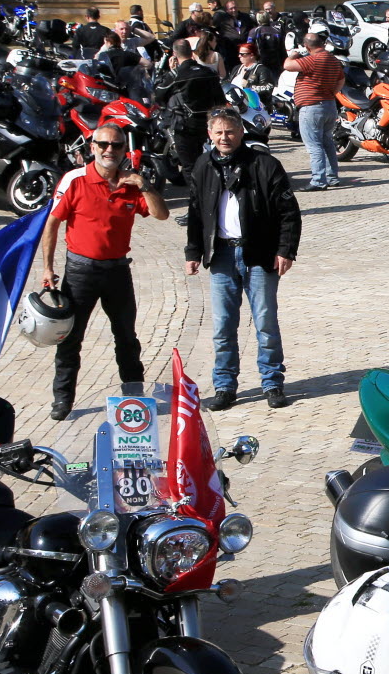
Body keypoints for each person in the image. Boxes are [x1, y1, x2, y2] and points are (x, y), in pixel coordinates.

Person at [40, 122, 169, 419]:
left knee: (126, 337)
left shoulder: (131, 184)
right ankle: (62, 400)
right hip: (80, 272)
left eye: (117, 145)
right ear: (92, 148)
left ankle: (134, 396)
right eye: (103, 144)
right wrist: (47, 268)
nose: (109, 150)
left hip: (117, 272)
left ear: (125, 150)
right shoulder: (75, 180)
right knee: (71, 339)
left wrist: (143, 184)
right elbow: (52, 224)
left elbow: (161, 215)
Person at [183, 109, 301, 409]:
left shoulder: (265, 165)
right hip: (221, 254)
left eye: (230, 132)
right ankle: (224, 386)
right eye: (219, 132)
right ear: (210, 134)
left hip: (259, 254)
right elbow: (196, 213)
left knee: (265, 322)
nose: (224, 137)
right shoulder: (203, 166)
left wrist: (285, 250)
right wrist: (193, 252)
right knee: (223, 326)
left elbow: (289, 213)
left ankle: (272, 383)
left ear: (241, 133)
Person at [154, 39, 227, 177]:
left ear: (175, 54)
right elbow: (220, 100)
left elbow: (158, 95)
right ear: (191, 52)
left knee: (189, 167)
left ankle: (198, 196)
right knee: (209, 161)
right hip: (208, 125)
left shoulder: (175, 75)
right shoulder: (209, 72)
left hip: (185, 125)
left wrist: (171, 71)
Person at [284, 30, 345, 190]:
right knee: (327, 142)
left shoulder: (313, 59)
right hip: (329, 105)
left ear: (306, 46)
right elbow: (341, 79)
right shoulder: (333, 59)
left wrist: (294, 54)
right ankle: (332, 177)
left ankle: (318, 181)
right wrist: (332, 92)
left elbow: (287, 65)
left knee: (314, 145)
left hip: (311, 107)